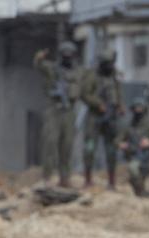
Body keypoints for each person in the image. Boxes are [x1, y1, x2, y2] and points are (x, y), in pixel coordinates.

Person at [34, 42, 83, 187]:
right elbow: (38, 65)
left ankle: (65, 178)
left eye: (70, 55)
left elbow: (81, 89)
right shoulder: (52, 68)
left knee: (67, 145)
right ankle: (47, 177)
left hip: (69, 112)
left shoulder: (77, 72)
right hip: (54, 110)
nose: (67, 58)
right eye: (65, 55)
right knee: (50, 143)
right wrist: (39, 57)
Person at [81, 49, 124, 189]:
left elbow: (118, 91)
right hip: (95, 116)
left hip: (111, 116)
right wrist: (98, 104)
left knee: (111, 149)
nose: (109, 66)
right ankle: (88, 180)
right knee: (89, 147)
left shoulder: (113, 76)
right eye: (107, 64)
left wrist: (119, 106)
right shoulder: (92, 75)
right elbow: (85, 94)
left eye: (111, 63)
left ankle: (112, 182)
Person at [117, 97, 149, 197]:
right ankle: (141, 192)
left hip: (147, 155)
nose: (138, 111)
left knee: (140, 172)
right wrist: (121, 144)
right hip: (132, 154)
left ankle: (142, 191)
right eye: (136, 108)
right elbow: (118, 140)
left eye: (140, 108)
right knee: (133, 169)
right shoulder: (129, 126)